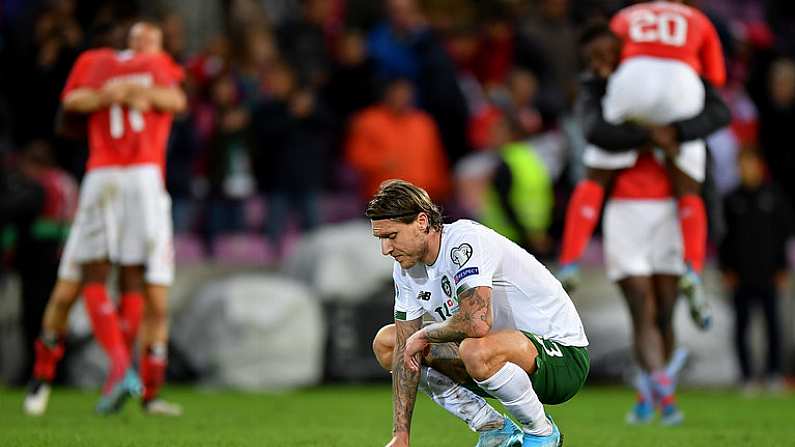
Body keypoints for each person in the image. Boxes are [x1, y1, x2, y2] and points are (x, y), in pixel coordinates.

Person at [563, 22, 731, 424]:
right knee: (641, 305)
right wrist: (649, 134)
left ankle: (647, 391)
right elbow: (597, 132)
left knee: (664, 313)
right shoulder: (597, 94)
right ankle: (664, 393)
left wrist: (674, 130)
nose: (601, 66)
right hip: (625, 212)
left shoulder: (674, 86)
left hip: (671, 213)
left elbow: (717, 113)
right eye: (593, 61)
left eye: (608, 56)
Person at [23, 21, 186, 416]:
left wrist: (131, 91)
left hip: (134, 180)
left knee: (137, 286)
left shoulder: (146, 68)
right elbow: (74, 102)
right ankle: (104, 372)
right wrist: (109, 94)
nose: (144, 45)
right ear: (122, 42)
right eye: (138, 38)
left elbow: (174, 100)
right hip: (116, 176)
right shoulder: (104, 66)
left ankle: (143, 389)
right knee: (75, 287)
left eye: (151, 39)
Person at [368, 180, 589, 447]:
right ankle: (495, 430)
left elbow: (477, 322)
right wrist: (401, 434)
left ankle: (542, 434)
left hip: (562, 358)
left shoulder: (464, 242)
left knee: (474, 348)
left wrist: (424, 334)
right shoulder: (405, 269)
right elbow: (406, 348)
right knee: (389, 344)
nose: (386, 249)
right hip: (493, 358)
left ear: (422, 222)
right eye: (381, 239)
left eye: (391, 236)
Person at [558, 1, 727, 330]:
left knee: (594, 177)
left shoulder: (623, 18)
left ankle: (569, 262)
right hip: (684, 87)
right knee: (689, 186)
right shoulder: (697, 18)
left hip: (631, 87)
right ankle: (694, 268)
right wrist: (671, 130)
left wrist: (642, 128)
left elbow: (596, 130)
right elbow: (717, 76)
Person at [719, 150, 792, 393]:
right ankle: (747, 376)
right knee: (741, 327)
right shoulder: (731, 200)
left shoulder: (773, 197)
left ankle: (773, 374)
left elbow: (782, 236)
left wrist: (782, 268)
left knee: (773, 326)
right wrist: (726, 269)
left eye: (750, 165)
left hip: (769, 274)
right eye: (742, 165)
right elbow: (723, 240)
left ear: (760, 166)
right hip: (740, 276)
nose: (746, 170)